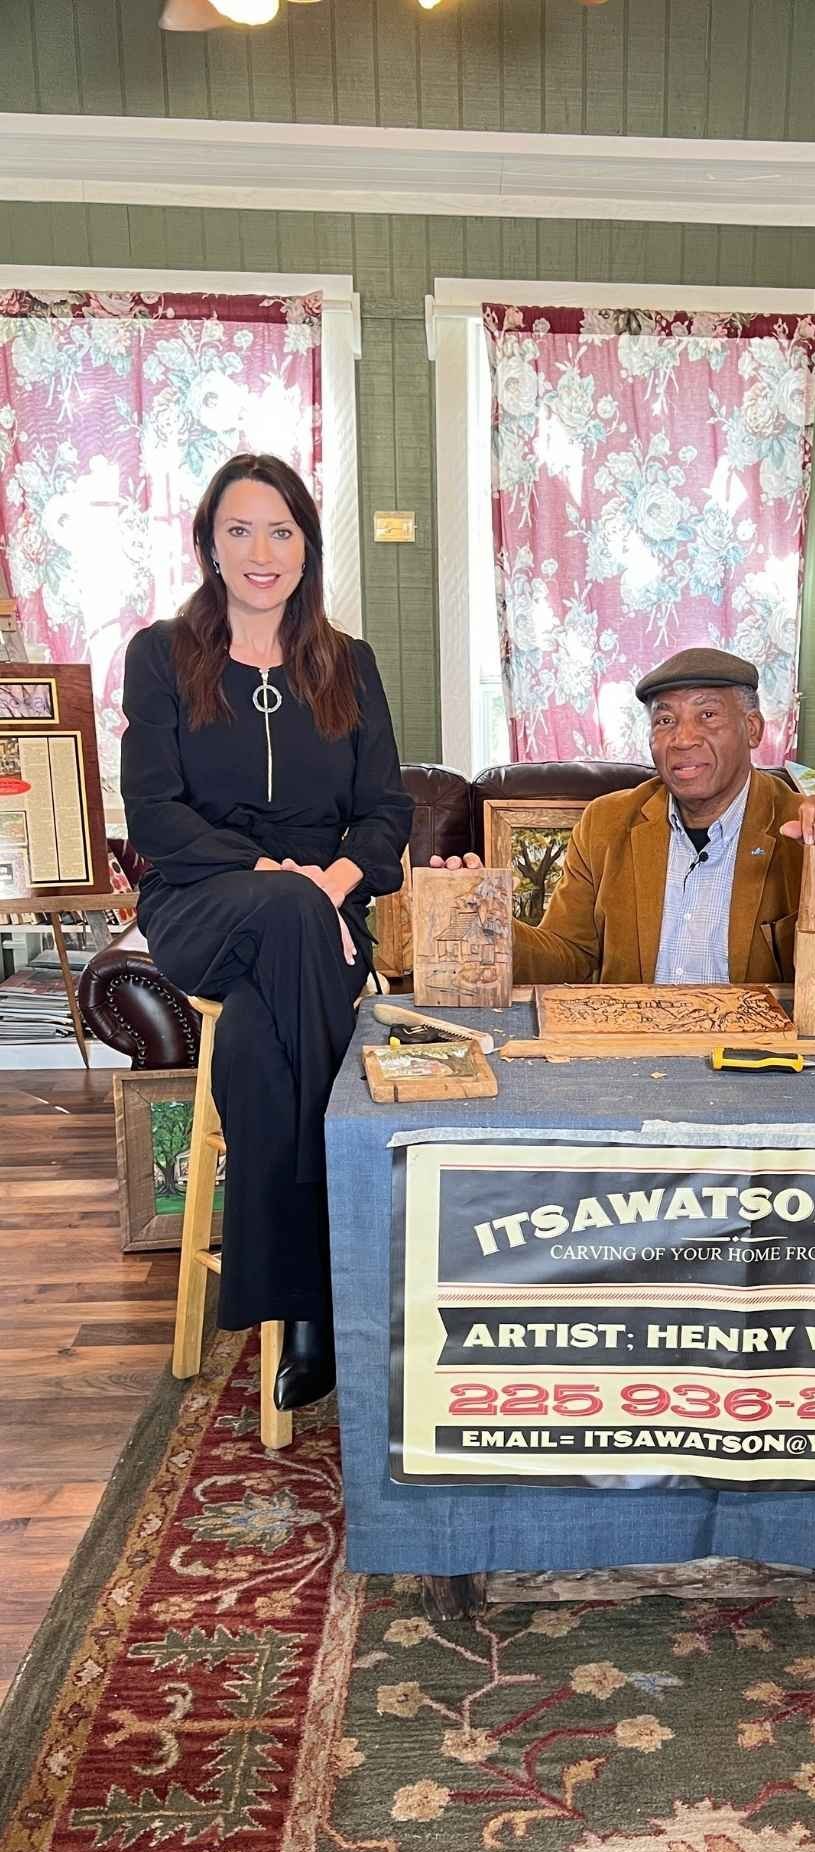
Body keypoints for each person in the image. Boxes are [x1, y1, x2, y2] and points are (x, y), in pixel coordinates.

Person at [121, 453, 413, 1410]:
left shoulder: (349, 663)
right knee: (286, 918)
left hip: (321, 914)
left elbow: (383, 817)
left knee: (252, 1040)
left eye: (281, 530)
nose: (261, 550)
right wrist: (273, 879)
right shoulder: (162, 656)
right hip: (203, 899)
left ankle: (292, 1298)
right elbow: (156, 815)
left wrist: (325, 886)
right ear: (209, 542)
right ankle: (335, 1285)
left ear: (306, 547)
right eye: (240, 529)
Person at [434, 648, 815, 990]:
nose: (683, 739)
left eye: (708, 715)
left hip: (757, 1061)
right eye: (665, 721)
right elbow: (567, 959)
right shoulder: (608, 823)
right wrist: (489, 921)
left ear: (753, 728)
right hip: (632, 1053)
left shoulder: (802, 826)